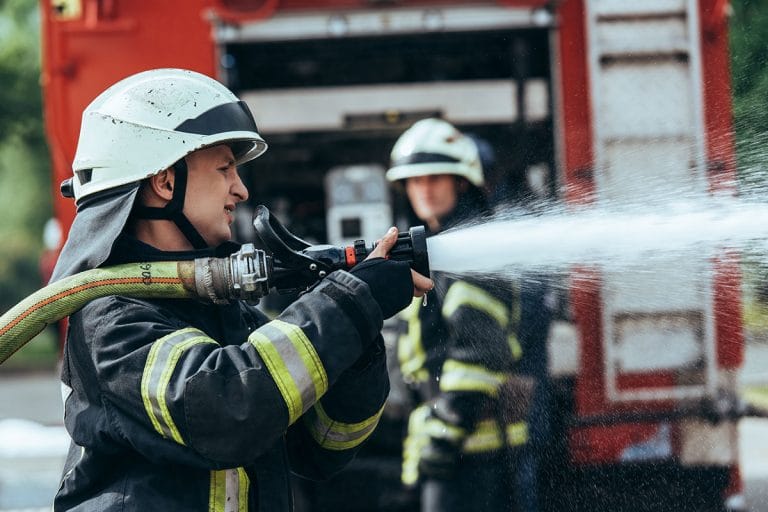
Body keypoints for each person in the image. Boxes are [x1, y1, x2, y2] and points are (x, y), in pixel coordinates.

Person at [49, 68, 432, 511]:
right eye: (224, 168)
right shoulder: (111, 319)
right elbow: (226, 408)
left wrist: (359, 338)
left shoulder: (222, 314)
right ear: (165, 181)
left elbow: (322, 446)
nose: (241, 188)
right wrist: (349, 303)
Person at [387, 118, 534, 512]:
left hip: (475, 450)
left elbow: (479, 353)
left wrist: (446, 432)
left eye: (436, 178)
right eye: (415, 180)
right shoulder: (440, 250)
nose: (425, 189)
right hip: (457, 445)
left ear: (462, 182)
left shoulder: (470, 254)